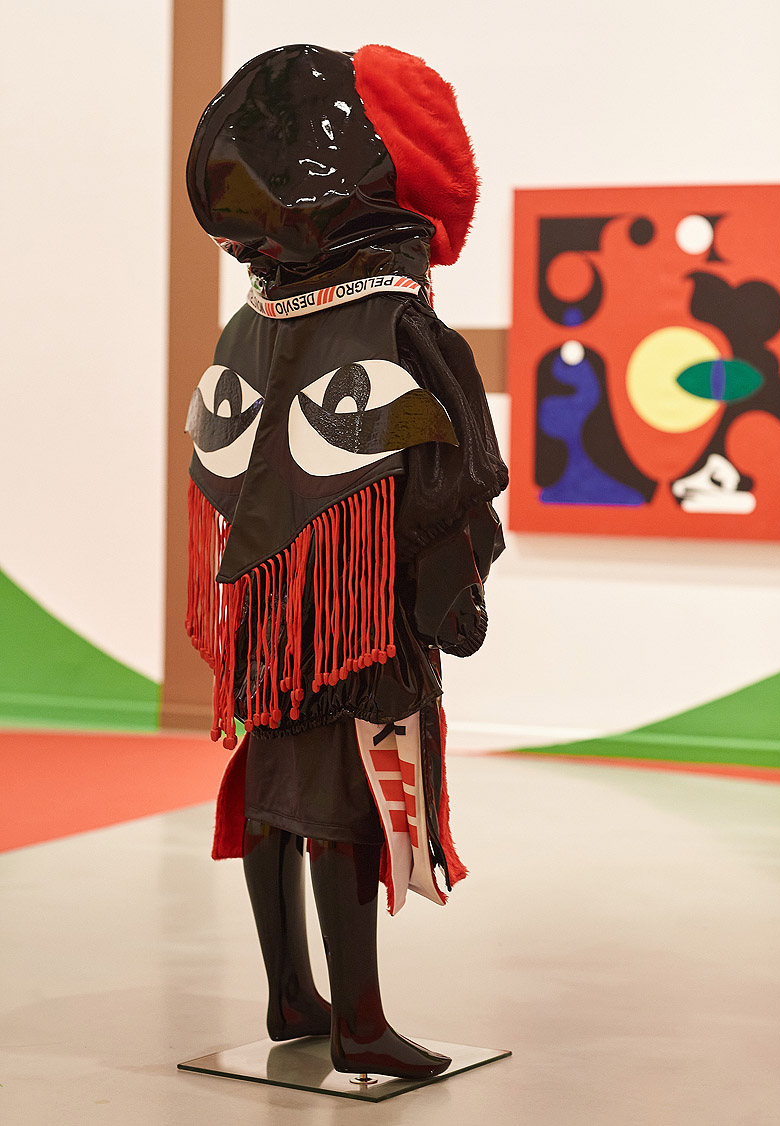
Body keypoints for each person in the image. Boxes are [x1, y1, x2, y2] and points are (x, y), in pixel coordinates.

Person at [185, 43, 507, 1080]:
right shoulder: (396, 318)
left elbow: (220, 461)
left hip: (267, 598)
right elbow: (452, 473)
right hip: (361, 611)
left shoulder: (251, 318)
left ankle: (290, 990)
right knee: (343, 794)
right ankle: (357, 1020)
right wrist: (453, 589)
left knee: (272, 778)